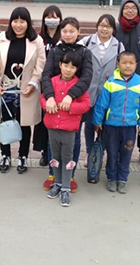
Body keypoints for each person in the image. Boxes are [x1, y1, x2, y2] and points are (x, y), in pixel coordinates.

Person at [0, 7, 46, 174]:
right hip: (6, 89)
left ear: (28, 23)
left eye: (22, 21)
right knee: (5, 123)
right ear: (11, 22)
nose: (18, 25)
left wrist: (33, 83)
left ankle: (23, 156)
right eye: (15, 21)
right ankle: (5, 155)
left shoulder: (37, 41)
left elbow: (40, 65)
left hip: (26, 90)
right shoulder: (2, 38)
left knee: (25, 124)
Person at [41, 17, 93, 192]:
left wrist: (71, 95)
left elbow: (87, 77)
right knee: (52, 142)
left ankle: (69, 175)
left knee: (74, 141)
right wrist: (49, 96)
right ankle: (53, 174)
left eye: (72, 31)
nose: (68, 34)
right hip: (54, 106)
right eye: (64, 31)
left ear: (79, 32)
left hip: (73, 105)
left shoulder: (85, 52)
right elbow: (46, 74)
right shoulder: (55, 51)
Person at [92, 51, 140, 194]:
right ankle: (111, 178)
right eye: (124, 63)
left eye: (131, 63)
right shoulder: (111, 82)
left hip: (130, 127)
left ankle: (122, 179)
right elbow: (101, 104)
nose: (127, 66)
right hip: (111, 126)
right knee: (112, 153)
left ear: (136, 65)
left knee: (126, 153)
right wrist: (97, 121)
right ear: (118, 64)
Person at [41, 52, 91, 208]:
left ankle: (66, 188)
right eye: (66, 65)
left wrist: (71, 107)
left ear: (77, 69)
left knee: (67, 158)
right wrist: (47, 104)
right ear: (60, 65)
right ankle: (57, 183)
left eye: (73, 67)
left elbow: (86, 104)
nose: (68, 69)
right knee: (55, 157)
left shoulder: (78, 86)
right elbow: (43, 97)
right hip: (52, 127)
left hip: (69, 129)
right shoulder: (52, 81)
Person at [115, 0, 140, 167]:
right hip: (119, 80)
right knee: (119, 114)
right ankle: (116, 151)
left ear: (138, 10)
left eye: (133, 8)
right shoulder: (116, 29)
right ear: (121, 10)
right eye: (126, 8)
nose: (130, 10)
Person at [82, 14, 123, 158]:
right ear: (97, 26)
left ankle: (100, 152)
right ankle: (89, 152)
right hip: (88, 90)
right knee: (89, 123)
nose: (104, 29)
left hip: (107, 92)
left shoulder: (118, 46)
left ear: (113, 29)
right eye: (102, 25)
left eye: (108, 26)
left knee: (104, 124)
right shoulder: (86, 41)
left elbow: (121, 69)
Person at [32, 5, 63, 167]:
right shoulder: (39, 39)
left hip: (59, 83)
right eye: (49, 16)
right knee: (43, 119)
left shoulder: (62, 38)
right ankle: (44, 150)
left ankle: (56, 151)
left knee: (56, 117)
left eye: (55, 17)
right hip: (41, 83)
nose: (52, 20)